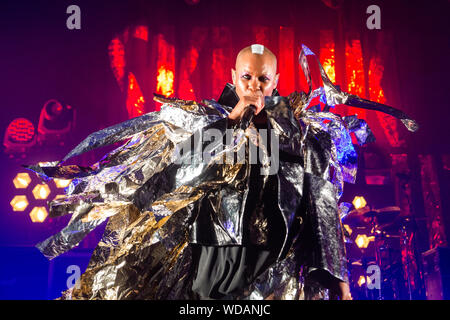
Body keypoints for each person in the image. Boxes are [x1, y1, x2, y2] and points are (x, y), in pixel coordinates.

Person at [29, 43, 416, 300]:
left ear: (276, 82)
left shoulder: (300, 133)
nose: (253, 86)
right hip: (212, 255)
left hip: (273, 258)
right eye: (246, 77)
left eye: (263, 79)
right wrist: (229, 125)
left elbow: (321, 201)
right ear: (234, 76)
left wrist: (339, 277)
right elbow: (178, 175)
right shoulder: (207, 122)